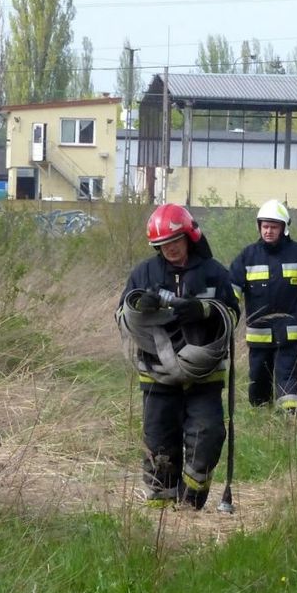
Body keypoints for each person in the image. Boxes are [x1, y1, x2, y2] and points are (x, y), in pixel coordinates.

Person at [116, 204, 239, 509]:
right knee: (159, 444)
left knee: (207, 435)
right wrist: (139, 306)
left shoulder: (214, 273)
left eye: (173, 242)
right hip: (157, 376)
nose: (169, 249)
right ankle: (160, 513)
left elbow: (233, 314)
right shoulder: (144, 273)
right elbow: (121, 314)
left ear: (189, 237)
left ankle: (191, 503)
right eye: (161, 245)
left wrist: (204, 309)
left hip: (205, 376)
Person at [229, 200, 297, 416]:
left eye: (274, 227)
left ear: (284, 228)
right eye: (265, 226)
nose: (269, 231)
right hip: (259, 337)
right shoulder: (247, 256)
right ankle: (261, 419)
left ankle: (290, 420)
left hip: (291, 335)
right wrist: (227, 311)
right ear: (259, 227)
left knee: (288, 379)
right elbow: (231, 287)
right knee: (258, 381)